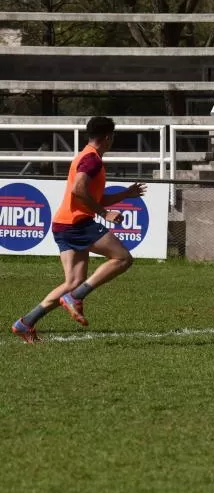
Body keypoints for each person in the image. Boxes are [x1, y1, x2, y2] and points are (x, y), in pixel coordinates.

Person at [11, 117, 146, 343]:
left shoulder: (85, 156)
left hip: (64, 224)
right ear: (108, 138)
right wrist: (104, 214)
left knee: (72, 282)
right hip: (77, 223)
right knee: (123, 258)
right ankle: (77, 297)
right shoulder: (92, 160)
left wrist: (125, 194)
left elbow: (92, 195)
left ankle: (25, 323)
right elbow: (79, 189)